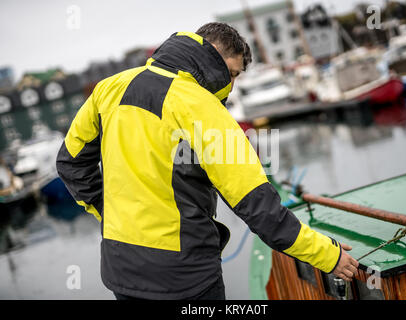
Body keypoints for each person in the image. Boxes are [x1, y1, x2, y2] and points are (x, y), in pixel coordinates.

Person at [56, 22, 358, 300]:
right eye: (234, 74)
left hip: (121, 270)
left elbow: (71, 163)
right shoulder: (202, 107)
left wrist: (107, 213)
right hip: (185, 278)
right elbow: (258, 207)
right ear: (214, 59)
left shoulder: (109, 88)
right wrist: (328, 256)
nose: (232, 86)